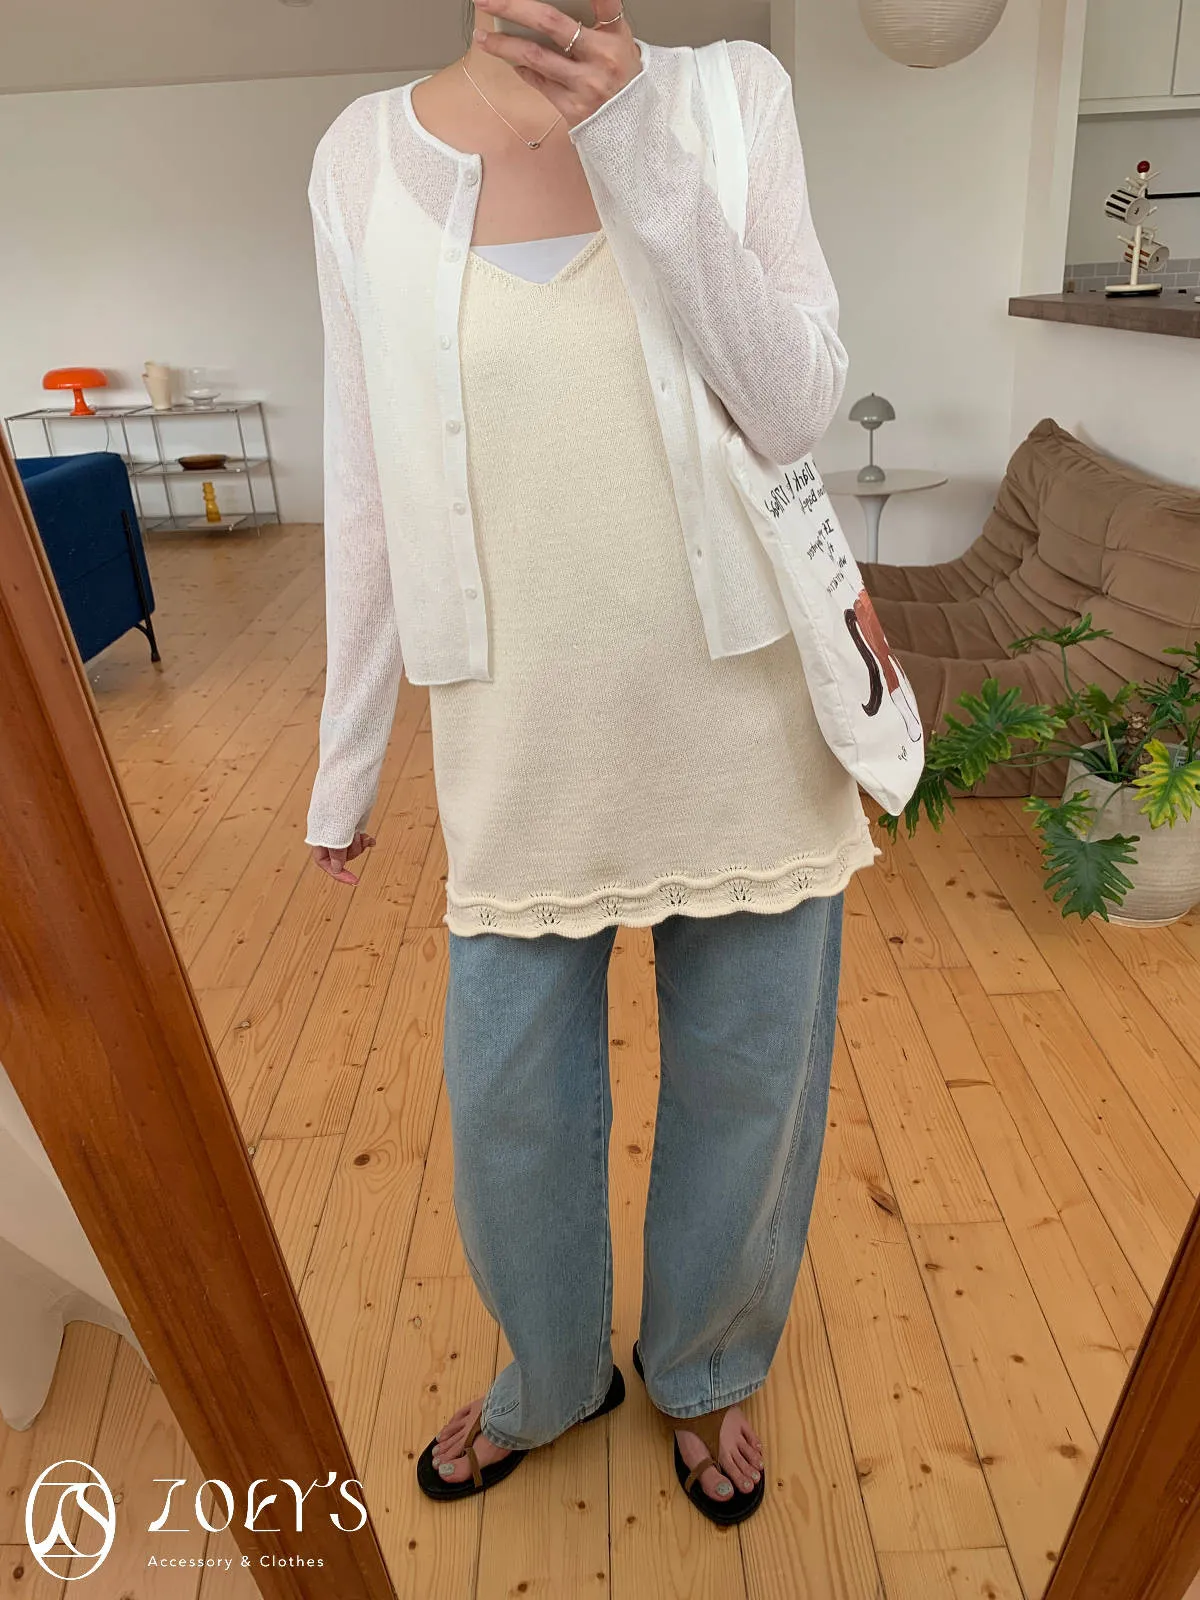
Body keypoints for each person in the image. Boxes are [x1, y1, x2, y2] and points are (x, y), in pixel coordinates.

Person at [304, 0, 875, 1527]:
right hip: (519, 736)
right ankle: (552, 1373)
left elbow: (795, 400)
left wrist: (634, 138)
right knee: (510, 1107)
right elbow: (365, 484)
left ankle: (703, 1366)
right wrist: (346, 758)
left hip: (744, 722)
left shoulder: (733, 97)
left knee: (749, 1087)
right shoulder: (358, 157)